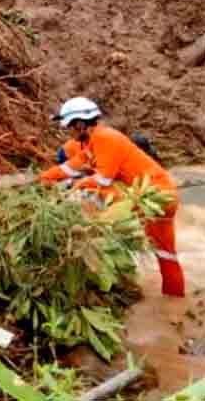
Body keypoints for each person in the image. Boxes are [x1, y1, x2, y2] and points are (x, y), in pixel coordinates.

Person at [39, 97, 185, 297]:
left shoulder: (105, 138)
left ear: (80, 124)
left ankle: (97, 266)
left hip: (151, 195)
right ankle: (175, 300)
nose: (68, 132)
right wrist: (44, 178)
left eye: (69, 127)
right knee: (165, 253)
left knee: (87, 198)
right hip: (163, 197)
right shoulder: (93, 142)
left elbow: (103, 181)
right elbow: (72, 166)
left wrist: (70, 187)